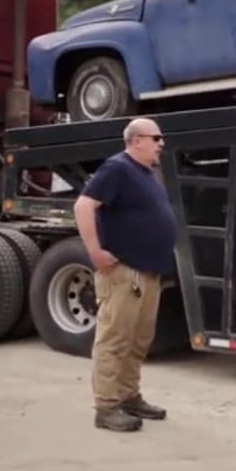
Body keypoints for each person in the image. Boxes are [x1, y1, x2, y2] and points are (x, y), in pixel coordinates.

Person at [73, 117, 178, 433]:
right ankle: (106, 407)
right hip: (124, 272)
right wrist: (95, 251)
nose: (161, 144)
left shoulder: (146, 173)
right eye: (156, 138)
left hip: (148, 272)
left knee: (138, 340)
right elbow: (83, 206)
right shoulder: (117, 168)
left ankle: (129, 396)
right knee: (115, 339)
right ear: (136, 140)